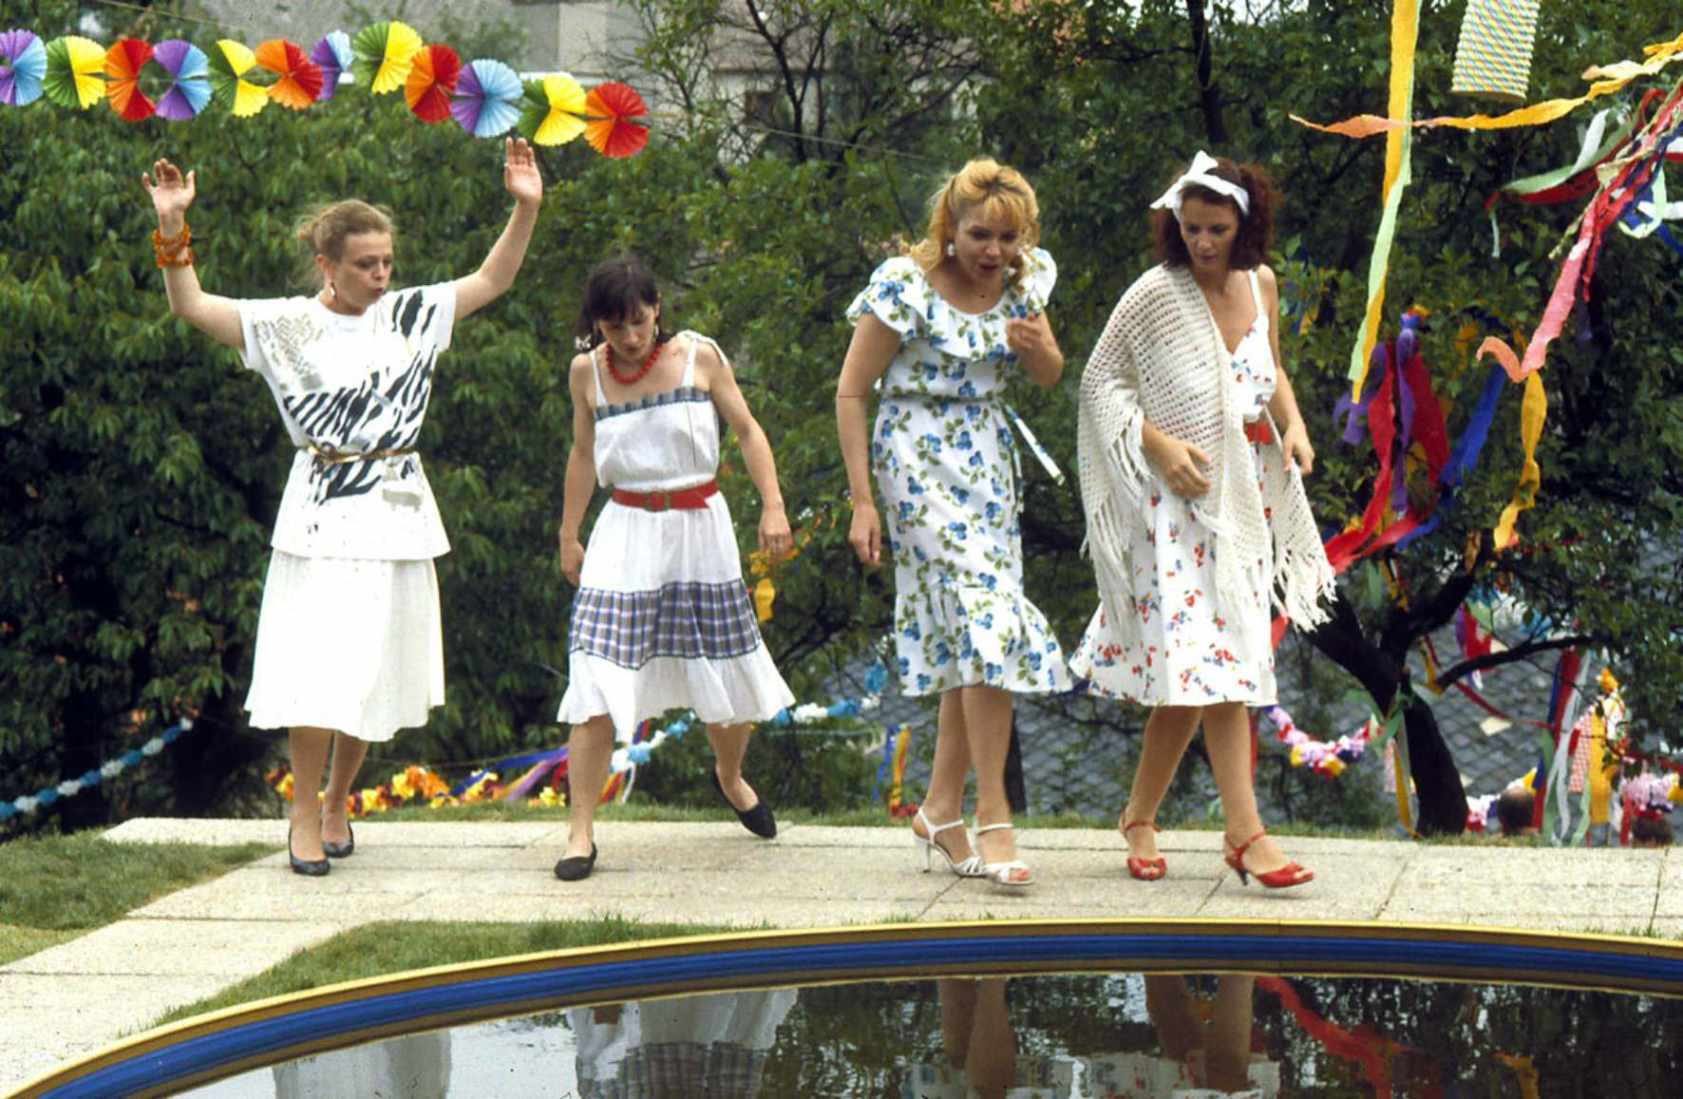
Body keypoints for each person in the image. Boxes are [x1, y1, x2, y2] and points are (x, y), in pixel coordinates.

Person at [141, 140, 544, 876]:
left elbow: (494, 278)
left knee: (371, 672)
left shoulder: (412, 313)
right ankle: (302, 815)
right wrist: (172, 225)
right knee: (319, 670)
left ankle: (336, 803)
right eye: (365, 264)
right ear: (327, 263)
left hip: (397, 510)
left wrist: (526, 207)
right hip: (321, 512)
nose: (381, 275)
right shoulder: (287, 324)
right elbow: (190, 305)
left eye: (387, 261)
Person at [1072, 152, 1334, 889]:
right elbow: (1099, 383)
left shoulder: (1261, 284)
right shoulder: (1156, 293)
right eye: (1189, 227)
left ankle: (1138, 815)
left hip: (1241, 499)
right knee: (1222, 665)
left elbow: (1270, 372)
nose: (1202, 241)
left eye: (1216, 228)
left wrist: (1294, 425)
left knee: (1203, 670)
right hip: (1177, 505)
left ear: (1244, 225)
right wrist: (1155, 446)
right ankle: (1245, 834)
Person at [837, 158, 1072, 890]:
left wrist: (1040, 351)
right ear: (950, 227)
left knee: (969, 636)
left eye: (1006, 237)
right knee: (985, 620)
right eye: (979, 236)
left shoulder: (1025, 284)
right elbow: (851, 392)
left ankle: (940, 810)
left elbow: (1049, 374)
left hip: (987, 463)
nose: (993, 251)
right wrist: (863, 501)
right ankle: (993, 813)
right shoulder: (903, 287)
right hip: (914, 457)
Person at [554, 255, 795, 881]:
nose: (631, 337)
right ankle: (580, 833)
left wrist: (773, 505)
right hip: (624, 531)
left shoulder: (699, 356)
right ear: (598, 324)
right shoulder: (587, 373)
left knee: (726, 668)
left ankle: (730, 776)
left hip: (699, 528)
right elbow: (583, 454)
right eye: (616, 327)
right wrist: (569, 533)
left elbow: (747, 430)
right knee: (594, 673)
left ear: (657, 309)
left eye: (639, 322)